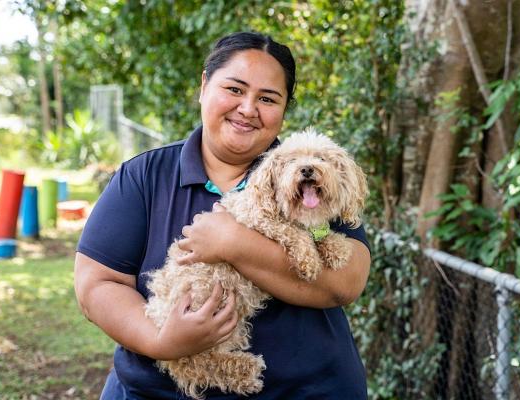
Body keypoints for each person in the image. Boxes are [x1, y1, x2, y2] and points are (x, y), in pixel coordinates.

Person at [74, 31, 371, 399]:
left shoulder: (313, 176)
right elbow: (96, 285)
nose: (248, 108)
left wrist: (232, 243)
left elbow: (347, 282)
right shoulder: (145, 175)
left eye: (267, 98)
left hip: (306, 391)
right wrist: (163, 340)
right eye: (234, 89)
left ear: (284, 109)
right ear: (204, 86)